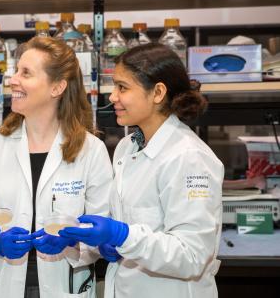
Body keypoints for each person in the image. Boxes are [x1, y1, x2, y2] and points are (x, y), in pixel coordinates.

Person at [60, 43, 224, 298]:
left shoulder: (189, 157)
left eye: (122, 87)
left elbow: (192, 255)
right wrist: (95, 241)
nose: (113, 96)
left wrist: (122, 235)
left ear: (158, 92)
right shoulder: (128, 147)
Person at [0, 36, 113, 297]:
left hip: (64, 283)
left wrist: (74, 242)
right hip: (0, 281)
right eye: (16, 71)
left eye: (25, 73)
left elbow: (104, 228)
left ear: (57, 87)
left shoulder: (91, 150)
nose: (12, 80)